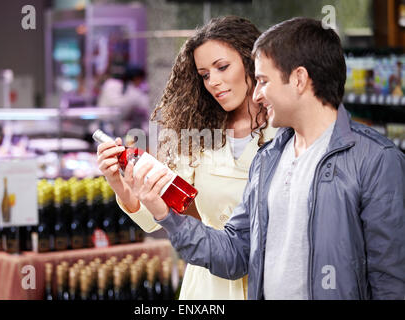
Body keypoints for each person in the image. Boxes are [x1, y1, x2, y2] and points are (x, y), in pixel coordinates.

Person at [125, 17, 405, 300]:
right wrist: (164, 213)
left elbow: (390, 281)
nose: (257, 94)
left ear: (298, 79)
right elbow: (235, 253)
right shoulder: (268, 160)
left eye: (263, 81)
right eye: (205, 74)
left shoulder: (376, 161)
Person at [97, 16, 277, 300]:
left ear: (251, 61)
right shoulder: (198, 135)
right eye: (205, 75)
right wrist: (122, 186)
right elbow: (162, 216)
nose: (213, 82)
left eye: (222, 67)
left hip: (271, 282)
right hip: (209, 287)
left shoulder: (284, 131)